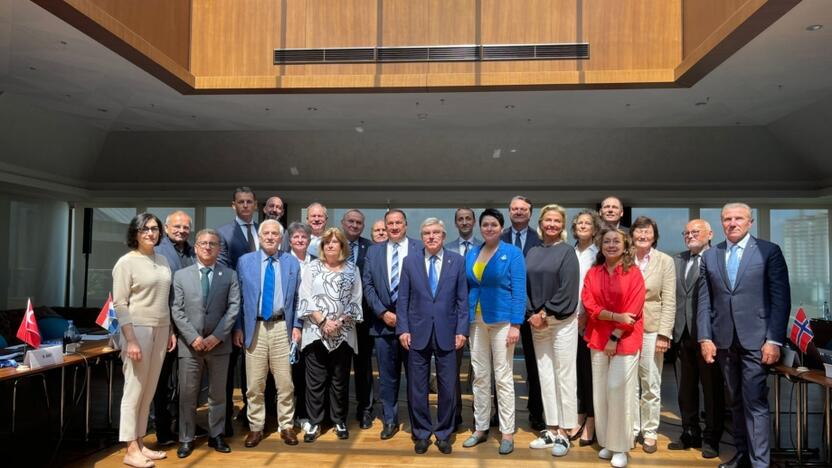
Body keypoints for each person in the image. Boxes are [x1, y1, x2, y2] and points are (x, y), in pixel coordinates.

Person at [697, 202, 790, 468]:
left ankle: (759, 462)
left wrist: (774, 339)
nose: (732, 223)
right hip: (724, 341)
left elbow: (780, 298)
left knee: (755, 402)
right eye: (727, 219)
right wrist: (705, 338)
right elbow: (705, 302)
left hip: (758, 341)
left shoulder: (768, 251)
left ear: (750, 222)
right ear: (721, 223)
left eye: (738, 218)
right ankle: (742, 456)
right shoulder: (711, 256)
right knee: (735, 402)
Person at [398, 218, 469, 455]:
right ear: (422, 236)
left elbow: (462, 299)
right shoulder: (410, 262)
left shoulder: (456, 261)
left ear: (443, 235)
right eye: (426, 233)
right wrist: (403, 329)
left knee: (448, 386)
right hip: (416, 332)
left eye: (436, 232)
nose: (431, 236)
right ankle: (421, 432)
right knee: (417, 387)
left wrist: (461, 330)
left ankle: (443, 433)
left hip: (448, 333)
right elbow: (404, 299)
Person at [112, 213, 177, 468]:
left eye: (154, 229)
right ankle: (129, 448)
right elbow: (120, 303)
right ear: (135, 234)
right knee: (134, 390)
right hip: (137, 330)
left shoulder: (162, 260)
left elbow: (165, 300)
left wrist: (170, 329)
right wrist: (131, 340)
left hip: (161, 329)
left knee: (148, 390)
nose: (151, 233)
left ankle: (139, 443)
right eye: (145, 229)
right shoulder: (126, 263)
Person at [170, 229, 240, 458]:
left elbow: (233, 308)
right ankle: (186, 438)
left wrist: (217, 336)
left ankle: (216, 435)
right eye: (203, 243)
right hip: (190, 346)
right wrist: (193, 337)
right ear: (196, 247)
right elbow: (176, 310)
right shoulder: (181, 276)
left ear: (219, 248)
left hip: (219, 345)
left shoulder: (229, 275)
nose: (208, 247)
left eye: (213, 243)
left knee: (218, 394)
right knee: (188, 395)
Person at [232, 219, 302, 448]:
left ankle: (287, 426)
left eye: (275, 234)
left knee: (285, 383)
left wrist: (297, 326)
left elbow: (299, 298)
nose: (271, 237)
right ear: (260, 237)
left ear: (281, 238)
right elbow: (238, 299)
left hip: (282, 326)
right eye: (266, 234)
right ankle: (255, 427)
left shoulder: (291, 262)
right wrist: (238, 327)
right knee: (254, 383)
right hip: (255, 328)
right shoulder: (245, 262)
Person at [462, 208, 526, 455]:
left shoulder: (513, 253)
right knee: (479, 375)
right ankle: (480, 428)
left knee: (503, 376)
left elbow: (519, 290)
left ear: (501, 228)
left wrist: (516, 324)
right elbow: (468, 285)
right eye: (485, 225)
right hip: (476, 320)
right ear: (481, 228)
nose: (489, 228)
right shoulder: (473, 252)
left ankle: (507, 432)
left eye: (494, 225)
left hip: (502, 322)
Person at [582, 227, 645, 468]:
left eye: (615, 242)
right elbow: (590, 305)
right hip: (597, 337)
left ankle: (621, 447)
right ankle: (608, 442)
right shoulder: (593, 273)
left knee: (618, 391)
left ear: (625, 245)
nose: (610, 245)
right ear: (600, 245)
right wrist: (614, 316)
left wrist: (616, 332)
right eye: (606, 241)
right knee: (600, 393)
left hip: (625, 340)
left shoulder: (634, 273)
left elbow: (634, 311)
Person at [298, 227, 364, 442]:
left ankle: (338, 420)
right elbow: (305, 296)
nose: (331, 246)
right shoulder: (312, 267)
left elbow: (356, 300)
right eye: (327, 243)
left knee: (339, 380)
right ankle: (314, 423)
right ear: (322, 247)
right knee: (315, 381)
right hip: (316, 332)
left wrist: (339, 322)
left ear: (342, 246)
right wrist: (324, 321)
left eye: (335, 242)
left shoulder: (352, 269)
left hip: (343, 333)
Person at [525, 204, 580, 457]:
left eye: (557, 221)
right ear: (541, 223)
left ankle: (566, 433)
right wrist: (532, 315)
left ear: (562, 225)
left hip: (560, 322)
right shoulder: (533, 251)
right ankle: (551, 428)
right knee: (545, 375)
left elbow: (568, 289)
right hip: (537, 322)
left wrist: (545, 313)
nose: (552, 225)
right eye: (548, 220)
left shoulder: (568, 252)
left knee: (564, 375)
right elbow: (523, 285)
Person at [362, 209, 421, 440]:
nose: (394, 227)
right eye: (390, 223)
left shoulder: (419, 248)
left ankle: (418, 423)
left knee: (416, 377)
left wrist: (406, 316)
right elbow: (367, 285)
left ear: (406, 225)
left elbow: (425, 285)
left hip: (414, 325)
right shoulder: (373, 252)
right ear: (385, 227)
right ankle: (390, 420)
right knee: (387, 377)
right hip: (382, 324)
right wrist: (382, 312)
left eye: (398, 223)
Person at [669, 219, 724, 459]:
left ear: (710, 234)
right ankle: (689, 432)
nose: (690, 236)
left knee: (711, 389)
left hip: (709, 336)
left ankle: (712, 436)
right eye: (687, 233)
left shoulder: (719, 258)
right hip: (681, 334)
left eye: (696, 232)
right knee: (685, 388)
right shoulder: (677, 260)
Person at [629, 216, 676, 454]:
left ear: (654, 236)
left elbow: (669, 301)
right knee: (629, 383)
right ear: (632, 235)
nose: (643, 236)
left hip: (651, 328)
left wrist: (664, 334)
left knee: (650, 382)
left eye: (647, 232)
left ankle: (649, 432)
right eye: (639, 232)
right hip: (626, 328)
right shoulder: (625, 259)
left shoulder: (665, 261)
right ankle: (632, 428)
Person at [216, 186, 259, 435]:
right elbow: (226, 274)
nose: (245, 205)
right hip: (235, 308)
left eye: (249, 202)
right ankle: (223, 420)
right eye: (241, 202)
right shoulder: (223, 233)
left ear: (255, 204)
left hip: (261, 310)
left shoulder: (263, 231)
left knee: (253, 365)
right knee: (230, 364)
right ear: (233, 205)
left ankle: (250, 412)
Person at [500, 195, 544, 430]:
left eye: (523, 209)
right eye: (514, 208)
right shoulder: (499, 237)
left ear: (530, 212)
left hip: (533, 314)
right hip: (502, 313)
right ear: (509, 212)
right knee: (500, 365)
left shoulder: (540, 240)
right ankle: (499, 415)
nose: (518, 212)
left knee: (535, 367)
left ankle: (537, 413)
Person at [152, 210, 196, 446]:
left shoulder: (192, 251)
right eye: (177, 227)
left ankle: (183, 424)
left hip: (189, 328)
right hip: (166, 326)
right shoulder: (158, 252)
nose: (181, 231)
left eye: (186, 227)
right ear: (167, 228)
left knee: (186, 382)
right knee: (163, 381)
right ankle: (162, 428)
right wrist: (170, 328)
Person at [341, 209, 377, 429]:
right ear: (343, 223)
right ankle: (339, 411)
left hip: (363, 318)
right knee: (340, 368)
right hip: (336, 319)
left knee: (363, 367)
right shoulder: (333, 243)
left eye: (358, 222)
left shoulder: (371, 248)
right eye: (351, 221)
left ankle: (365, 409)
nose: (354, 225)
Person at [570, 209, 602, 447]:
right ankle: (578, 415)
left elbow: (600, 288)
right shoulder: (568, 252)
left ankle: (591, 420)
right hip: (567, 319)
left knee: (590, 373)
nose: (582, 226)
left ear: (594, 228)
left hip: (592, 320)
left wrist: (586, 315)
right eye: (579, 223)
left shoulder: (599, 254)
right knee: (575, 374)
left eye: (587, 223)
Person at [285, 221, 315, 430]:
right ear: (289, 240)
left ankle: (304, 413)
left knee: (307, 372)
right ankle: (286, 415)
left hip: (313, 325)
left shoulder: (316, 262)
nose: (299, 240)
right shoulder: (284, 261)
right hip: (289, 326)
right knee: (288, 373)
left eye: (303, 237)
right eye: (295, 237)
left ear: (309, 240)